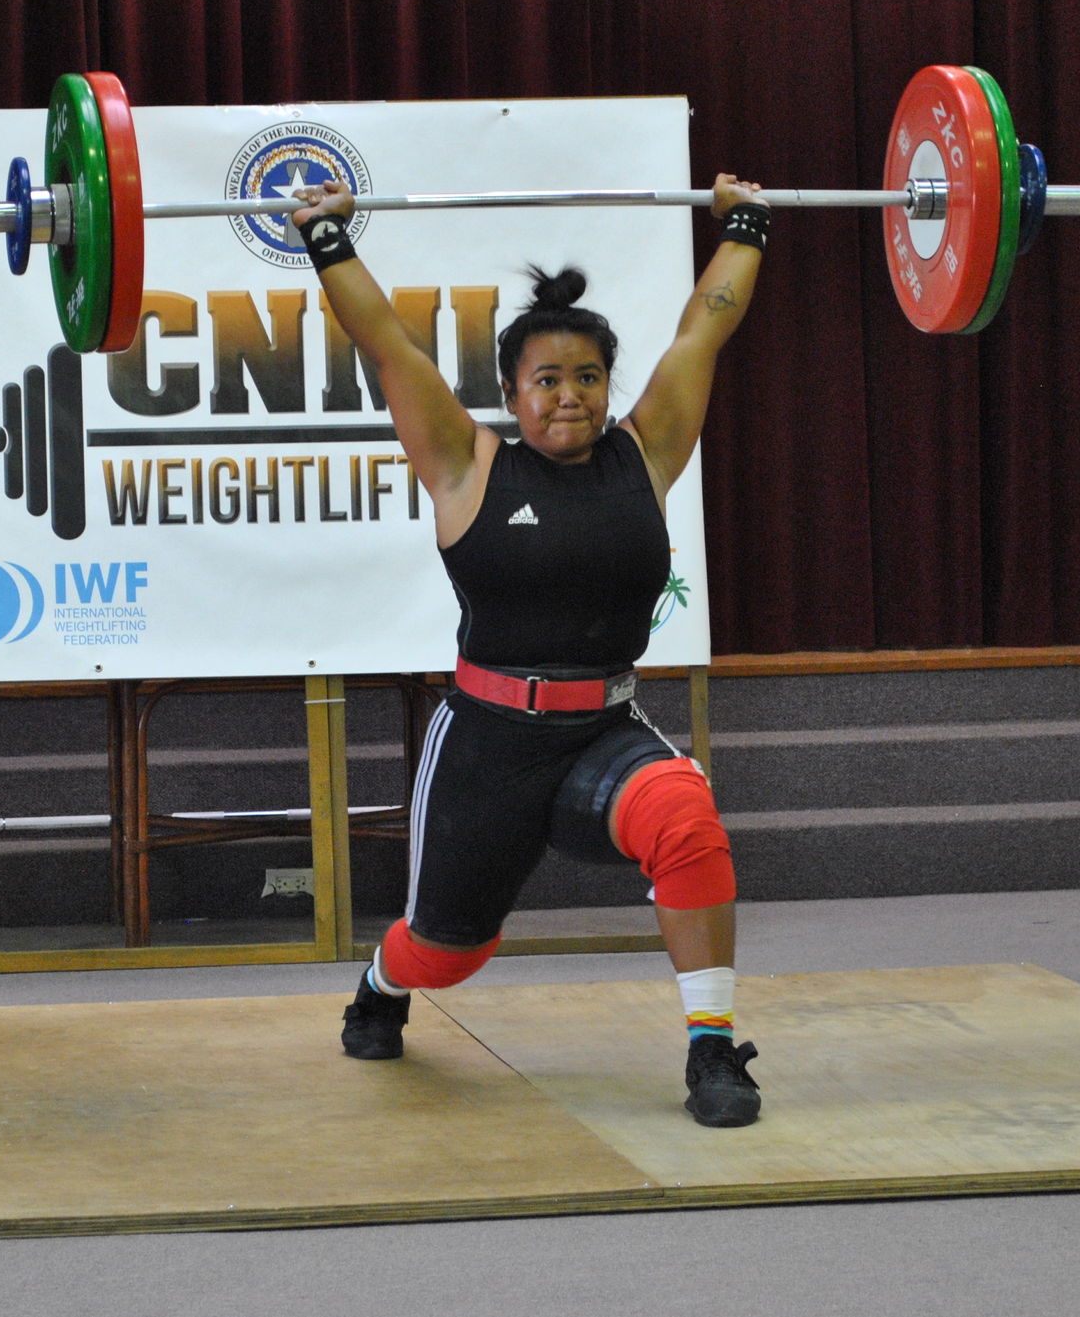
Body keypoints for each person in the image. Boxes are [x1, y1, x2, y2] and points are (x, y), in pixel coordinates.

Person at [292, 174, 769, 1126]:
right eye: (547, 381)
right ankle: (383, 984)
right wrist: (326, 238)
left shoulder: (649, 450)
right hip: (487, 747)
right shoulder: (467, 463)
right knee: (448, 950)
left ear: (607, 386)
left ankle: (713, 1049)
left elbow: (705, 325)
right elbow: (385, 341)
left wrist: (747, 223)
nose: (569, 397)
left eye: (587, 378)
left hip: (603, 733)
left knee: (688, 819)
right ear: (512, 393)